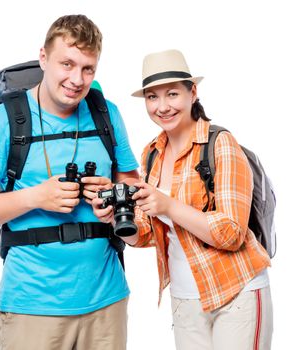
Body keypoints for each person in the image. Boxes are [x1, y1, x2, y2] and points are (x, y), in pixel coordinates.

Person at [0, 14, 139, 350]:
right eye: (67, 64)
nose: (77, 79)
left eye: (88, 69)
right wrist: (36, 197)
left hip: (107, 301)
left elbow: (131, 181)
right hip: (32, 306)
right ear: (43, 58)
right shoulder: (3, 120)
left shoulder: (107, 114)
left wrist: (111, 197)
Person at [92, 49, 273, 349]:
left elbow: (232, 232)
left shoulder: (220, 144)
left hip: (236, 294)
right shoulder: (151, 153)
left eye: (172, 94)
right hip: (185, 298)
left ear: (193, 92)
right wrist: (116, 218)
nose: (162, 107)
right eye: (152, 97)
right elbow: (149, 233)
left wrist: (169, 206)